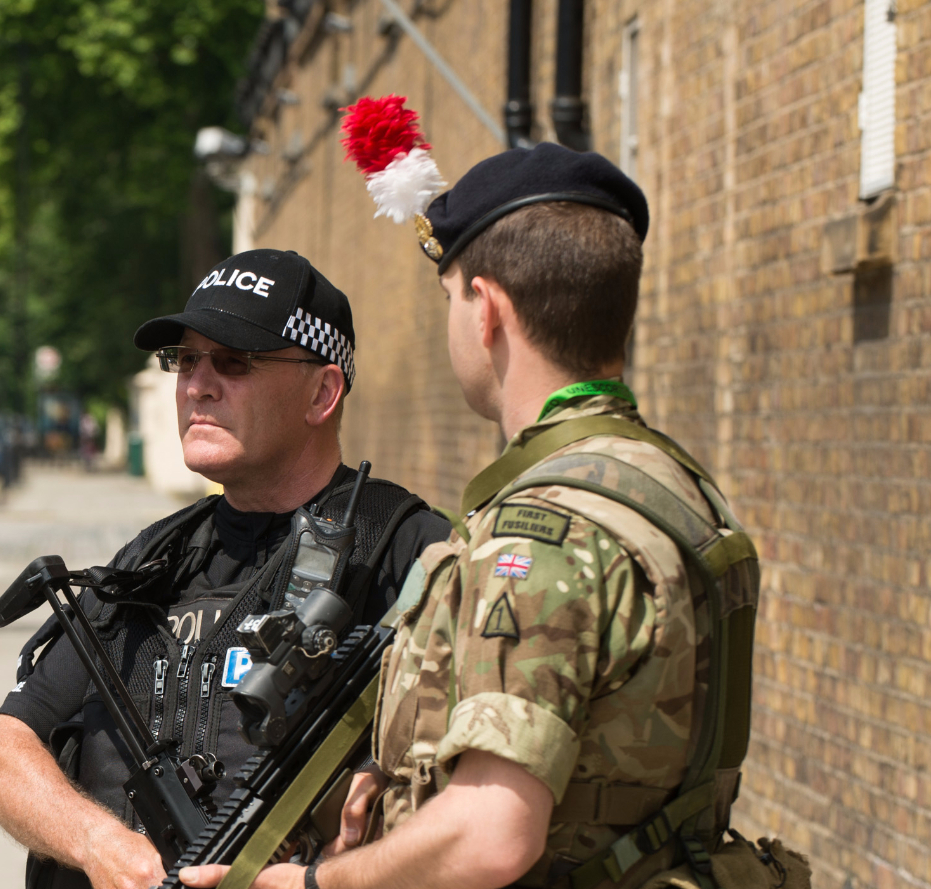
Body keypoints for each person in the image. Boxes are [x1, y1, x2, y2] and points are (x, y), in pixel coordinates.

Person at [181, 145, 776, 889]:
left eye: (450, 300)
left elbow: (491, 833)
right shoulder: (673, 489)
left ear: (486, 310)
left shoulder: (541, 532)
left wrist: (315, 884)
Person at [0, 249, 450, 889]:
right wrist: (99, 845)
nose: (198, 384)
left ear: (323, 392)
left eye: (234, 361)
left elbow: (477, 798)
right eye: (186, 360)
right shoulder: (153, 557)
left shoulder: (408, 554)